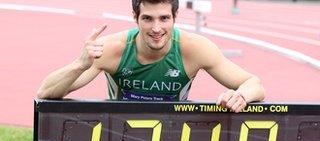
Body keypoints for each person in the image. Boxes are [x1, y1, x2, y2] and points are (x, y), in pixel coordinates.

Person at [37, 0, 265, 113]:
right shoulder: (112, 48)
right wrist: (79, 64)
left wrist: (241, 96)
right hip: (119, 133)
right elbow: (46, 92)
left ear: (175, 17)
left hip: (173, 134)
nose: (156, 28)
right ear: (135, 17)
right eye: (147, 19)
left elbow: (255, 84)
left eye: (164, 18)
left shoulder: (195, 48)